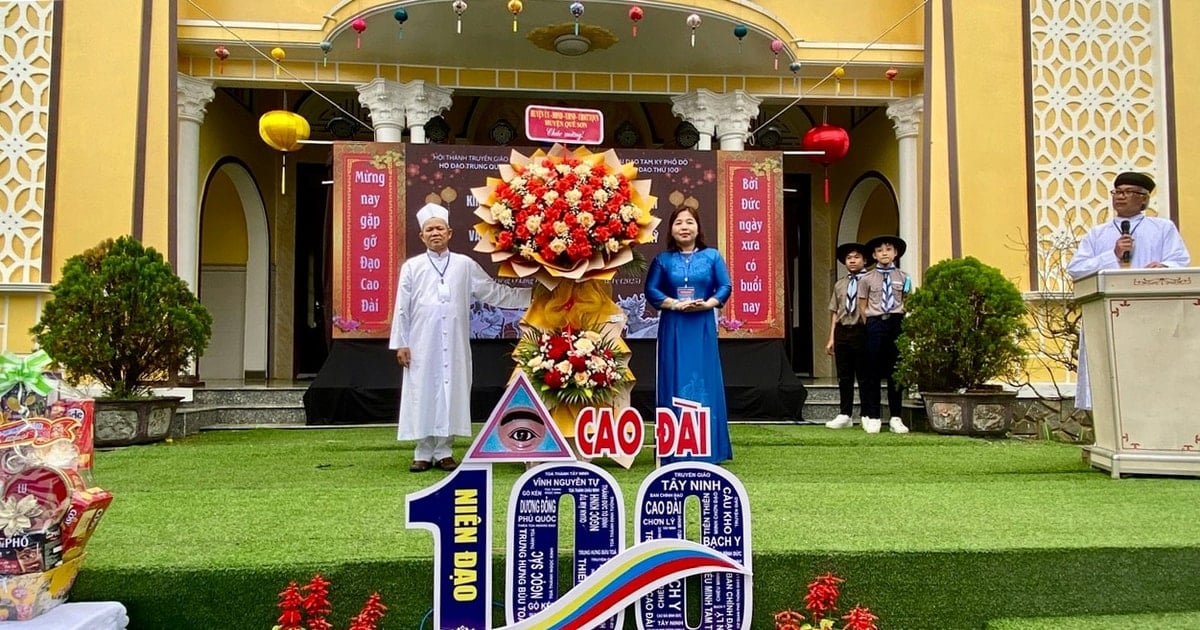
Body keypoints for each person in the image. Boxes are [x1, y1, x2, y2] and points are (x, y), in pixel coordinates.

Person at [389, 203, 533, 472]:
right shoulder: (412, 267)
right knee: (422, 391)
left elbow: (493, 292)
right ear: (422, 236)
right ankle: (422, 451)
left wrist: (533, 296)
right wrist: (401, 342)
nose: (435, 233)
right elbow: (402, 307)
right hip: (421, 343)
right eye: (429, 229)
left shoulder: (464, 265)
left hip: (454, 343)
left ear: (450, 232)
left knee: (450, 390)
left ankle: (444, 450)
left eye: (439, 228)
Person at [1066, 172, 1190, 410]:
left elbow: (1179, 261)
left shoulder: (1162, 229)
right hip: (1106, 315)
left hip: (1150, 315)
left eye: (1127, 192)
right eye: (1117, 192)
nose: (1120, 197)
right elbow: (1077, 270)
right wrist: (1112, 255)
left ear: (1143, 199)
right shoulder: (1098, 234)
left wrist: (1164, 267)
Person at [644, 206, 733, 464]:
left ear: (698, 228)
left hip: (702, 323)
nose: (684, 227)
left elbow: (725, 285)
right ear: (671, 229)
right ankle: (674, 445)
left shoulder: (712, 256)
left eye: (689, 222)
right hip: (674, 324)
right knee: (674, 374)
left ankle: (709, 446)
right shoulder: (663, 260)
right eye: (679, 223)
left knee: (704, 376)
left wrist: (709, 303)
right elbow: (651, 290)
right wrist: (673, 303)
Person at [857, 235, 911, 434]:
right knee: (872, 370)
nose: (884, 253)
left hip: (896, 323)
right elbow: (862, 305)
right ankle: (873, 416)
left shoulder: (905, 277)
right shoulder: (867, 279)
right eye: (880, 250)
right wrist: (871, 322)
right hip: (875, 323)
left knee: (895, 371)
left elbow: (907, 299)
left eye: (888, 249)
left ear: (895, 253)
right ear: (874, 255)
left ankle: (896, 416)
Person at [824, 242, 873, 429]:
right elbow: (835, 311)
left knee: (864, 374)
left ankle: (867, 413)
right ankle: (845, 413)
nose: (852, 261)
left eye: (856, 257)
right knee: (844, 375)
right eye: (849, 258)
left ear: (865, 260)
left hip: (862, 330)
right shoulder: (840, 284)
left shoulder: (870, 280)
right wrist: (831, 338)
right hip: (843, 330)